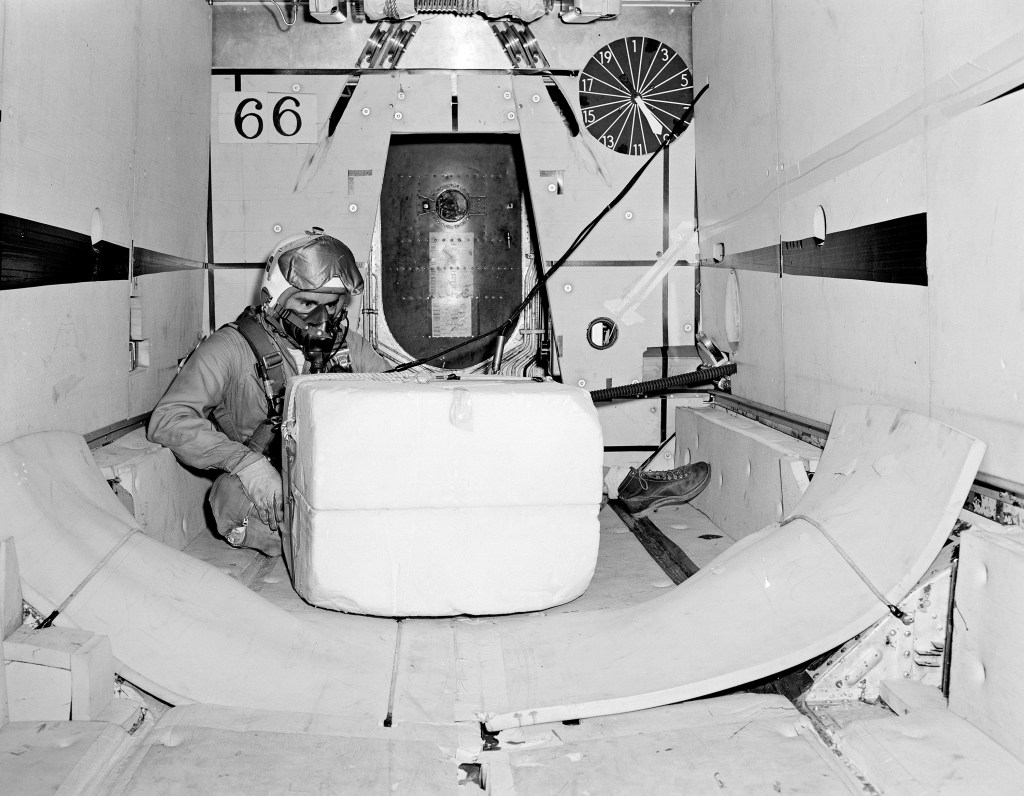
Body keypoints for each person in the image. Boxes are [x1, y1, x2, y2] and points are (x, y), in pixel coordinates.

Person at [148, 228, 388, 556]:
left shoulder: (350, 349)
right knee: (230, 496)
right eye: (306, 303)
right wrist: (246, 464)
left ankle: (344, 541)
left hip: (340, 478)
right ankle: (334, 544)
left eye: (331, 305)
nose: (321, 320)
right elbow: (169, 420)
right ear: (276, 298)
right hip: (276, 484)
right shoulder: (230, 349)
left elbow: (399, 402)